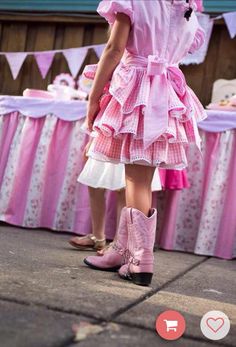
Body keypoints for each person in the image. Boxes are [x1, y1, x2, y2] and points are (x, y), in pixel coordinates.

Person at [82, 0, 206, 286]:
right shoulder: (187, 9)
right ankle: (121, 250)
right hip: (167, 92)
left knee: (136, 180)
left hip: (138, 91)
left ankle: (140, 261)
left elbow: (114, 50)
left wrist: (93, 97)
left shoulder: (135, 2)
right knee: (139, 178)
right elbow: (174, 48)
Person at [69, 140, 162, 251]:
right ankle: (97, 236)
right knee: (94, 183)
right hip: (105, 133)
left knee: (124, 188)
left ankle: (118, 243)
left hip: (127, 136)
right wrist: (92, 138)